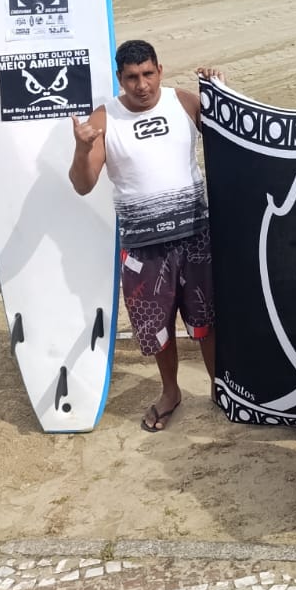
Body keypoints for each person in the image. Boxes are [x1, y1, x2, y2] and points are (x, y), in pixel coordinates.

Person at [69, 38, 220, 433]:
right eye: (132, 77)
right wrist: (82, 150)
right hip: (143, 247)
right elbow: (83, 185)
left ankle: (219, 388)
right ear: (120, 78)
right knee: (157, 326)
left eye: (148, 74)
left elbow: (236, 140)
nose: (142, 85)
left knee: (206, 320)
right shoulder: (104, 119)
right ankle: (170, 391)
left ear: (160, 71)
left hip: (196, 236)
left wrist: (221, 94)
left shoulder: (184, 103)